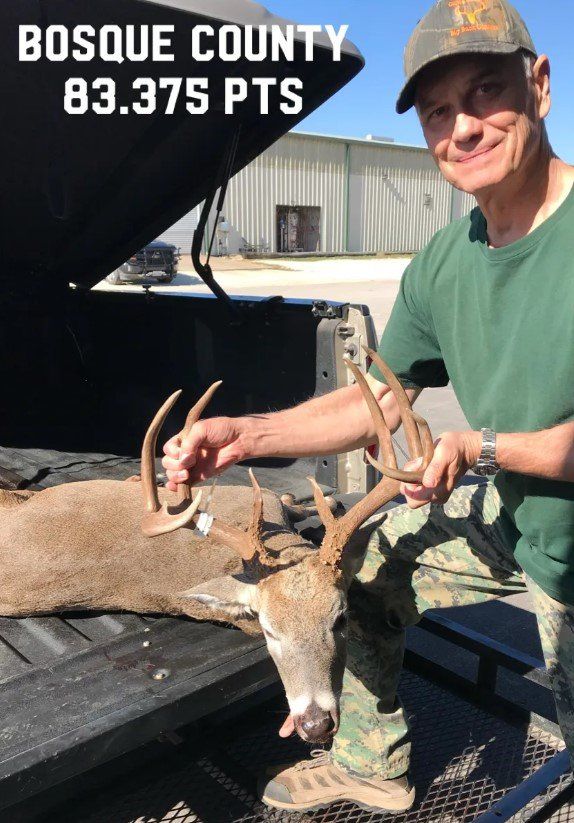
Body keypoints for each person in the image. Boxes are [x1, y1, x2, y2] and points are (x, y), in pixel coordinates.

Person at [163, 0, 574, 813]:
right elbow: (383, 395)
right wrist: (246, 434)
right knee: (366, 566)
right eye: (437, 112)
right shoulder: (445, 262)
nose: (462, 128)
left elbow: (499, 448)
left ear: (540, 86)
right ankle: (370, 759)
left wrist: (479, 448)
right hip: (521, 518)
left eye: (486, 91)